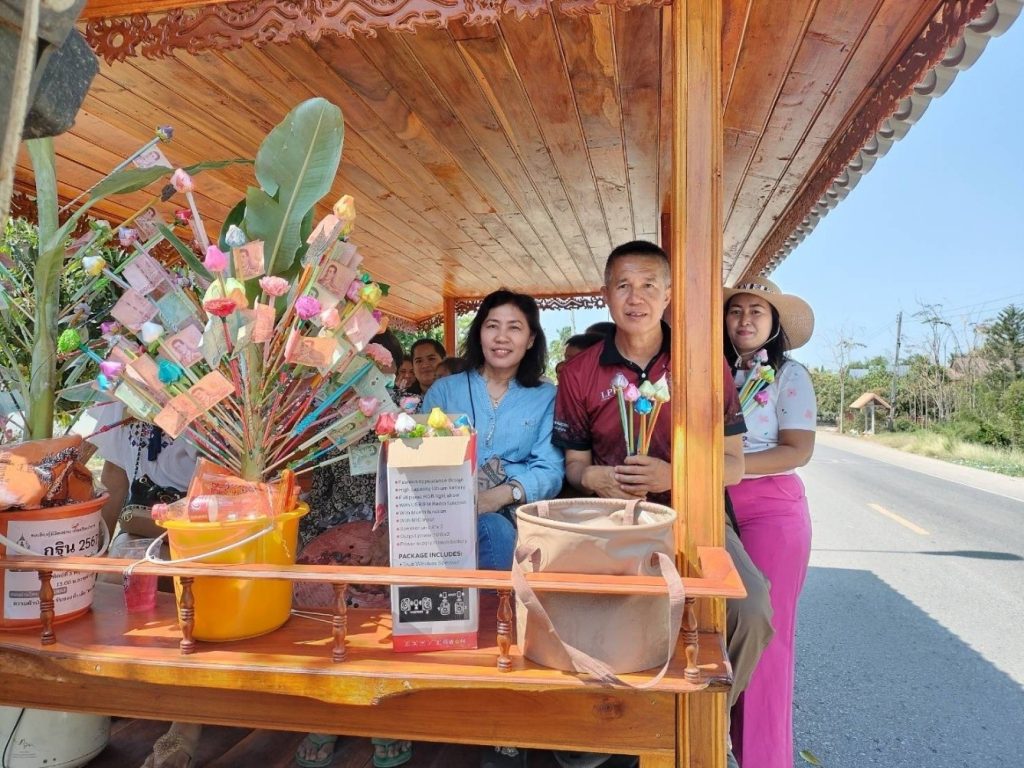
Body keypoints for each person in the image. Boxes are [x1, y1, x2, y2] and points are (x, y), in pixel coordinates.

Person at [553, 240, 773, 768]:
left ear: (669, 294)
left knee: (752, 610)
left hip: (695, 513)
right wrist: (598, 478)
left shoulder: (703, 362)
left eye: (649, 285)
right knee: (587, 612)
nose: (637, 298)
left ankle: (707, 720)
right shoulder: (579, 372)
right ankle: (602, 729)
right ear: (605, 294)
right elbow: (574, 467)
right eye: (624, 285)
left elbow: (734, 464)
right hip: (613, 518)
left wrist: (677, 475)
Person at [422, 289, 564, 768]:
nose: (502, 337)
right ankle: (455, 690)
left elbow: (550, 468)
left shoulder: (545, 396)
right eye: (492, 325)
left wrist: (498, 496)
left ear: (531, 340)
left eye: (514, 328)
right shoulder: (446, 391)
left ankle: (504, 701)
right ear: (478, 333)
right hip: (442, 514)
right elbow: (418, 453)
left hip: (510, 515)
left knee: (499, 540)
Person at [295, 329, 414, 768]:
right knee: (310, 589)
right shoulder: (324, 416)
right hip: (330, 528)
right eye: (352, 359)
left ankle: (384, 712)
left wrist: (391, 533)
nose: (360, 369)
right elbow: (313, 490)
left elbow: (419, 486)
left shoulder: (409, 414)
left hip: (392, 529)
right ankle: (327, 708)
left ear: (391, 370)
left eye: (372, 361)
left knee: (378, 597)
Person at [723, 278, 816, 768]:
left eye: (756, 311)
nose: (745, 320)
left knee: (768, 642)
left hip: (771, 508)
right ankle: (711, 741)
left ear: (774, 322)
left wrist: (730, 468)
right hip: (713, 503)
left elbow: (797, 450)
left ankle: (764, 759)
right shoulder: (711, 369)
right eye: (735, 310)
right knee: (719, 630)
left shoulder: (790, 374)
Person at [87, 403, 201, 768]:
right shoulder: (118, 402)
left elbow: (219, 491)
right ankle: (122, 692)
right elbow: (114, 482)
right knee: (107, 586)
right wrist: (92, 560)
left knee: (192, 607)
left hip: (199, 537)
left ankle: (184, 730)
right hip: (138, 534)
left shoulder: (205, 401)